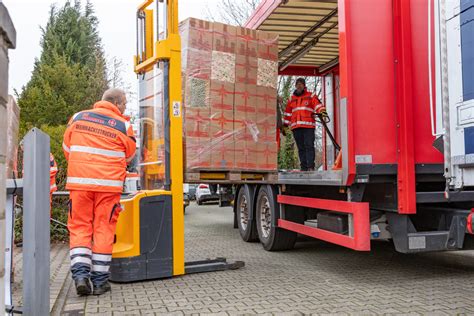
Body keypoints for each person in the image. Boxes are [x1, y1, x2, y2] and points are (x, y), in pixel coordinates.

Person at [63, 88, 136, 296]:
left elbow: (67, 149)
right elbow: (129, 156)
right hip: (108, 187)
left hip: (80, 184)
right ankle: (100, 282)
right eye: (125, 103)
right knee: (103, 229)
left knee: (79, 227)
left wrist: (83, 168)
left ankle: (80, 276)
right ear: (117, 102)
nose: (125, 107)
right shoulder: (124, 125)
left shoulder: (78, 118)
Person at [283, 78, 327, 171]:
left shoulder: (310, 96)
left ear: (304, 86)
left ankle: (310, 166)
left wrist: (323, 112)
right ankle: (304, 167)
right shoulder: (291, 99)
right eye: (297, 84)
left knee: (309, 146)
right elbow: (288, 114)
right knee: (301, 148)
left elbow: (318, 105)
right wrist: (285, 125)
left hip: (308, 127)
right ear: (295, 86)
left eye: (301, 84)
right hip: (296, 127)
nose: (299, 86)